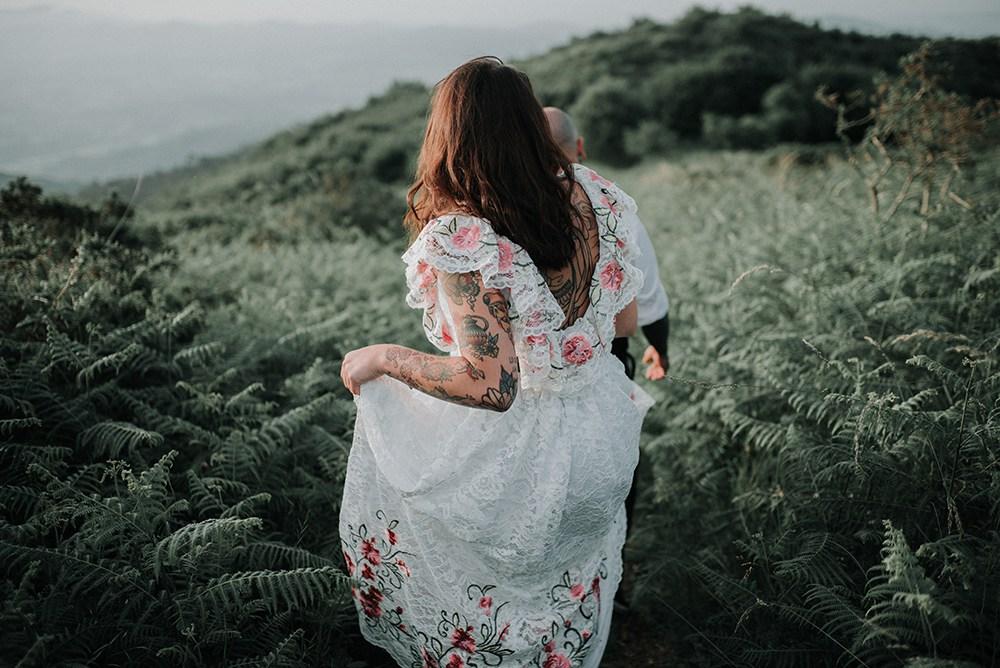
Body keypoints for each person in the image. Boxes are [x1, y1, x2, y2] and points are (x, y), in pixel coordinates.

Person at [338, 57, 653, 668]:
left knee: (485, 599)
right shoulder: (600, 195)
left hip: (525, 464)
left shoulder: (463, 236)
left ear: (450, 136)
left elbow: (490, 387)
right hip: (601, 437)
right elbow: (625, 324)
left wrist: (383, 358)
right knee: (563, 594)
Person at [543, 107, 671, 383]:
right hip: (605, 373)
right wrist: (661, 349)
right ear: (580, 146)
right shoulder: (613, 209)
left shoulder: (509, 213)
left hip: (534, 379)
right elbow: (648, 294)